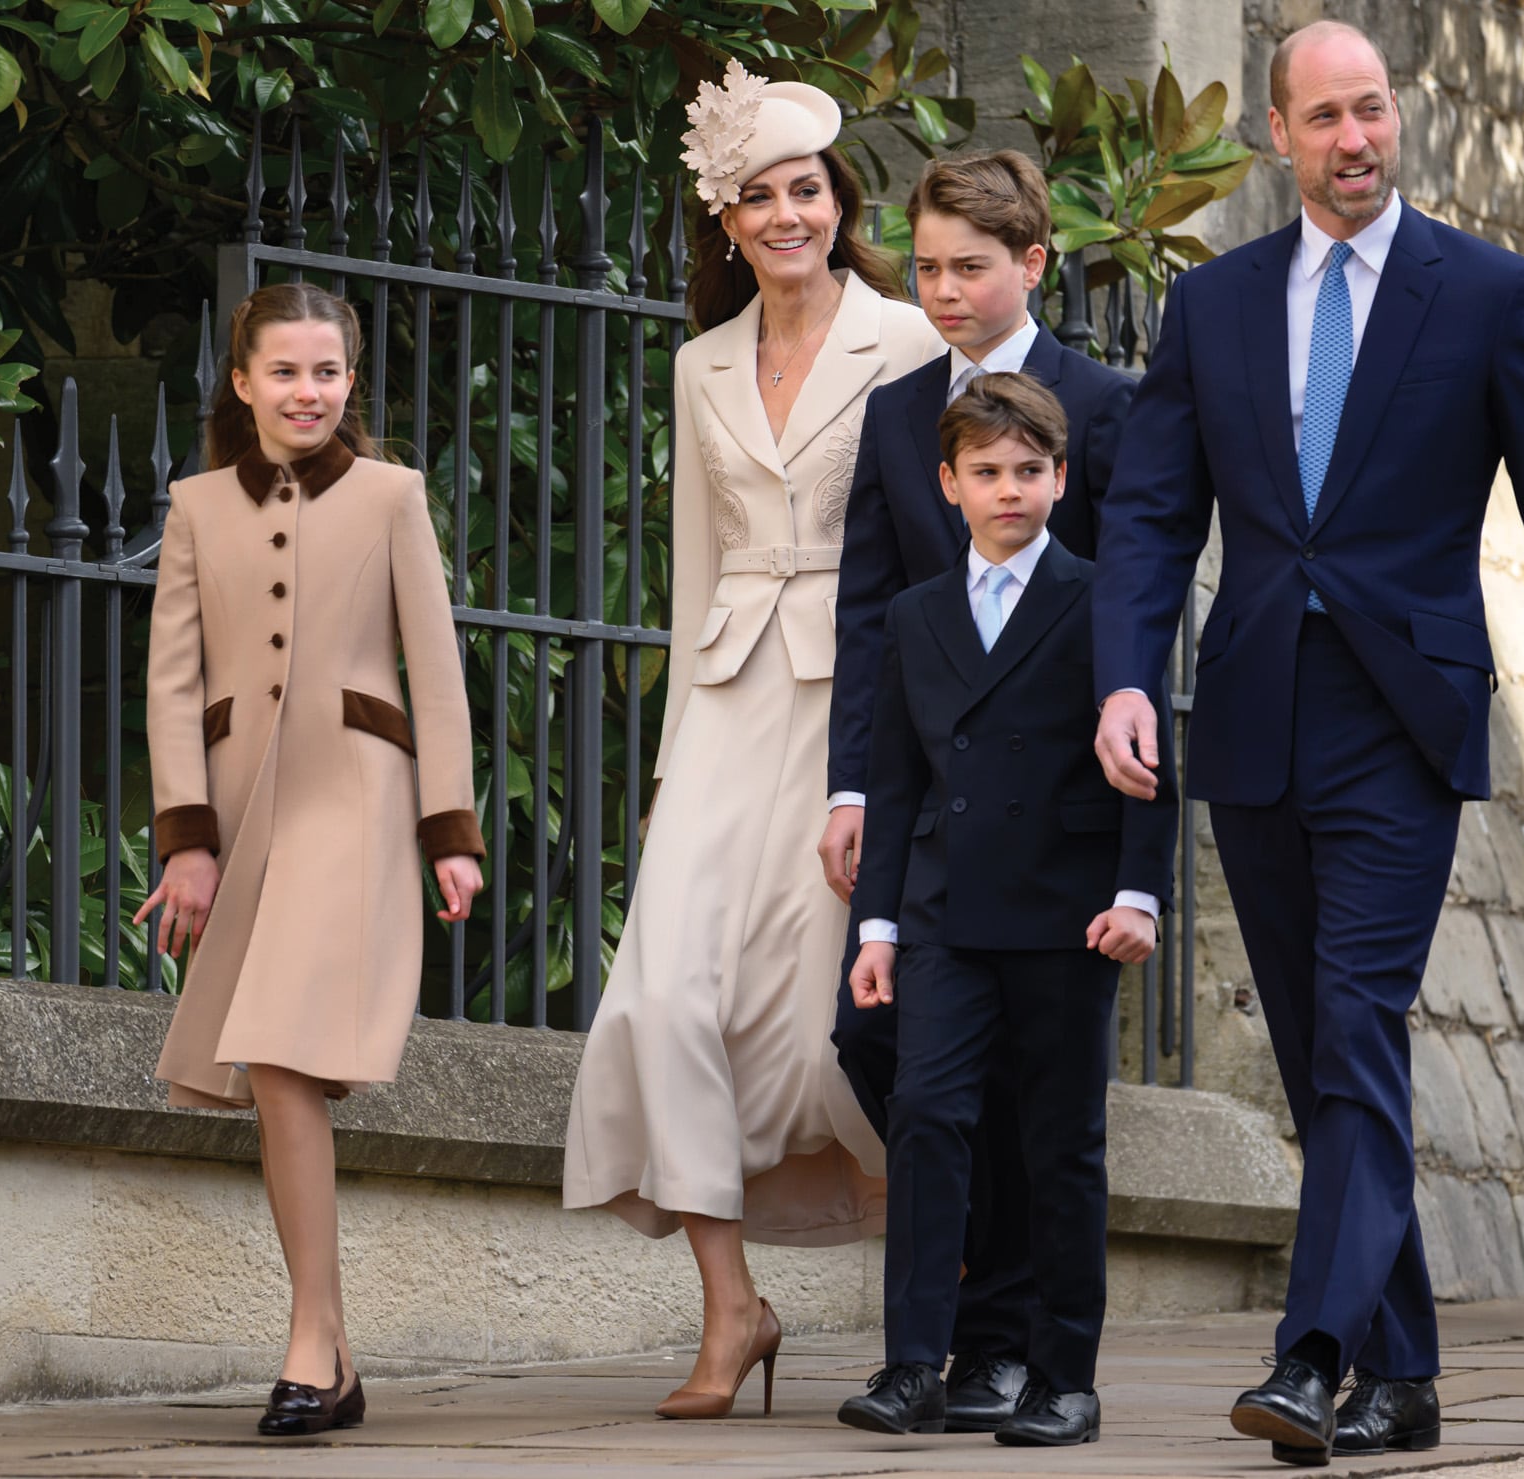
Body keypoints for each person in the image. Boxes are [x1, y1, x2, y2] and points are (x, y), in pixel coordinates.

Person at [1090, 20, 1524, 1466]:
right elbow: (1148, 513)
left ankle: (1311, 1352)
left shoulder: (1491, 294)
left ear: (1398, 117)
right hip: (1258, 717)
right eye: (1324, 116)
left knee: (1356, 1020)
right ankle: (1406, 1374)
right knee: (1333, 1043)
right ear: (1278, 135)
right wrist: (1127, 674)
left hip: (1406, 718)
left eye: (1373, 109)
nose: (1355, 139)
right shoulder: (1212, 310)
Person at [560, 62, 945, 1420]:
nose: (787, 214)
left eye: (806, 189)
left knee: (831, 1018)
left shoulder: (904, 341)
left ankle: (936, 1309)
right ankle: (734, 1306)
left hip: (856, 703)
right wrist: (670, 766)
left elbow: (934, 551)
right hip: (725, 706)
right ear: (724, 223)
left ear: (838, 201)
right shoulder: (697, 363)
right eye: (757, 196)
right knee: (664, 997)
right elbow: (691, 570)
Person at [136, 281, 486, 1436]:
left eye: (327, 371)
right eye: (283, 371)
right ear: (241, 384)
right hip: (242, 812)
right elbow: (174, 685)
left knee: (285, 1053)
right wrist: (186, 839)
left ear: (350, 383)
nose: (307, 391)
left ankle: (305, 1342)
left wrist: (451, 829)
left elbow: (435, 669)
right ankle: (327, 1349)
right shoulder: (194, 508)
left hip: (360, 801)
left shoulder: (392, 495)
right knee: (275, 1075)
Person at [820, 150, 1134, 1431]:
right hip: (935, 835)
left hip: (1055, 834)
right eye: (927, 267)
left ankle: (1009, 1348)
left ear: (1031, 264)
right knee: (890, 1056)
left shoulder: (1102, 408)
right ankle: (951, 1338)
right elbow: (870, 618)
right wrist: (853, 789)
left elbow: (1128, 611)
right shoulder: (899, 415)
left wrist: (1125, 861)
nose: (941, 291)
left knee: (1041, 1108)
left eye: (968, 267)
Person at [835, 373, 1176, 1448]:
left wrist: (1137, 894)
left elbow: (1150, 749)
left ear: (1060, 477)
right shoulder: (913, 612)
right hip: (942, 914)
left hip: (1065, 913)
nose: (1008, 490)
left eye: (1028, 471)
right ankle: (909, 1367)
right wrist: (876, 929)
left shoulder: (1099, 596)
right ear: (947, 485)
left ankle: (1061, 1375)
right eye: (985, 472)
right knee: (928, 1120)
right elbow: (894, 780)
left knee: (1059, 1143)